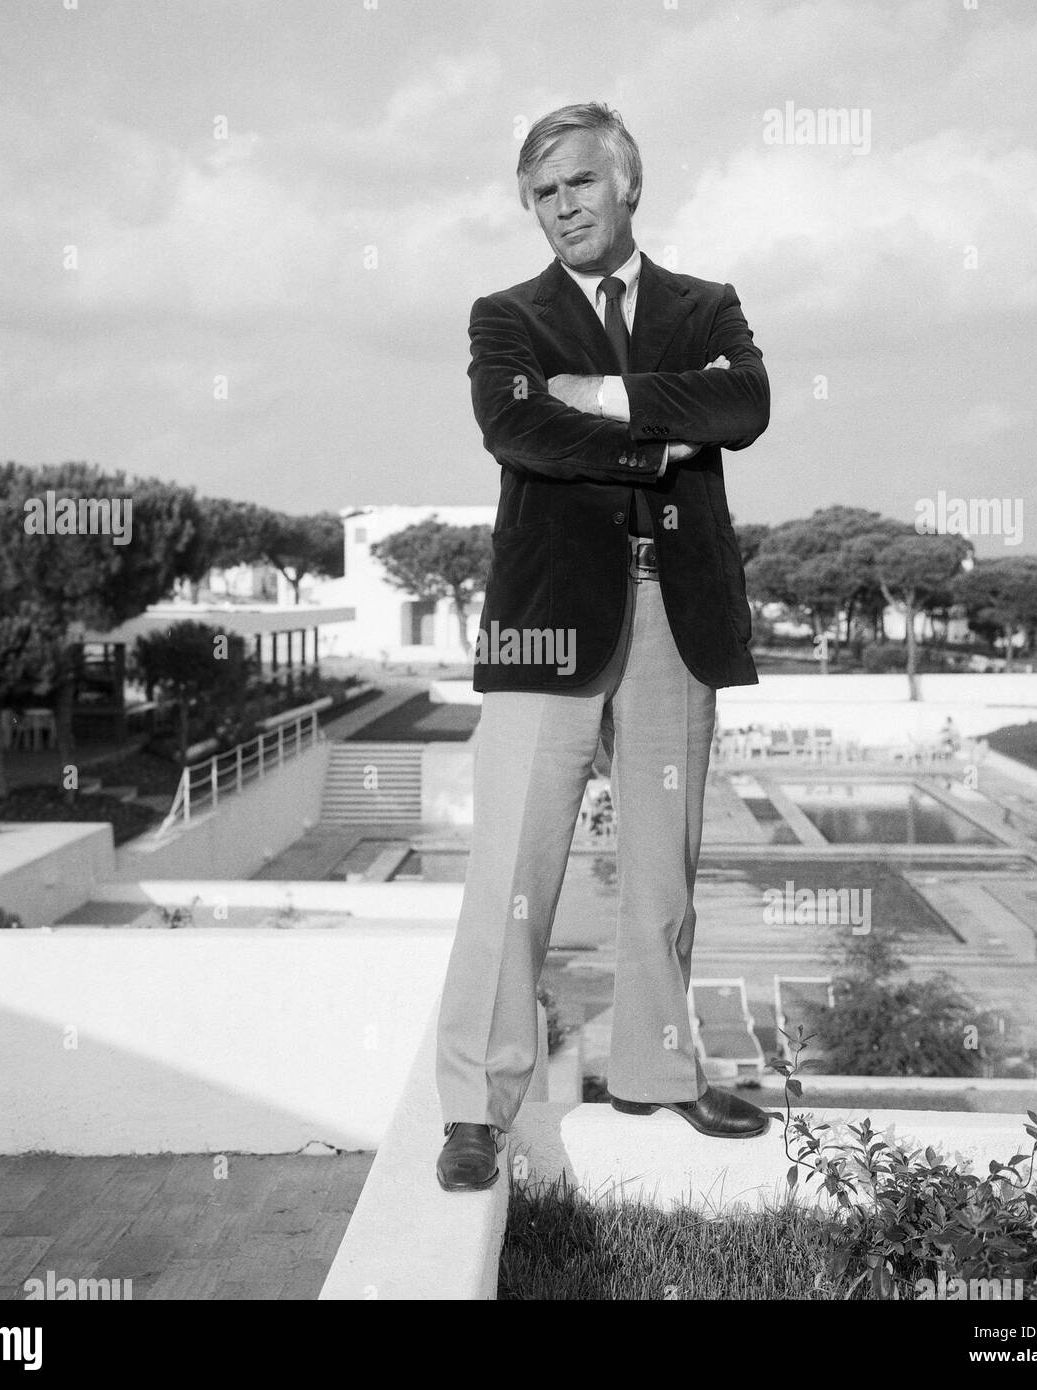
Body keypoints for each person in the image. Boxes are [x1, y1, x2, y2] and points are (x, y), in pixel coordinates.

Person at [435, 103, 772, 1192]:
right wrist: (666, 440)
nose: (561, 207)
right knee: (513, 874)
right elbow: (518, 428)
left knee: (661, 867)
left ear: (627, 184)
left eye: (578, 183)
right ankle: (476, 1106)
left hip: (678, 613)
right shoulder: (506, 317)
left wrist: (613, 397)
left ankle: (659, 1074)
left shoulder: (705, 303)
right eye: (540, 194)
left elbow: (747, 404)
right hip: (546, 626)